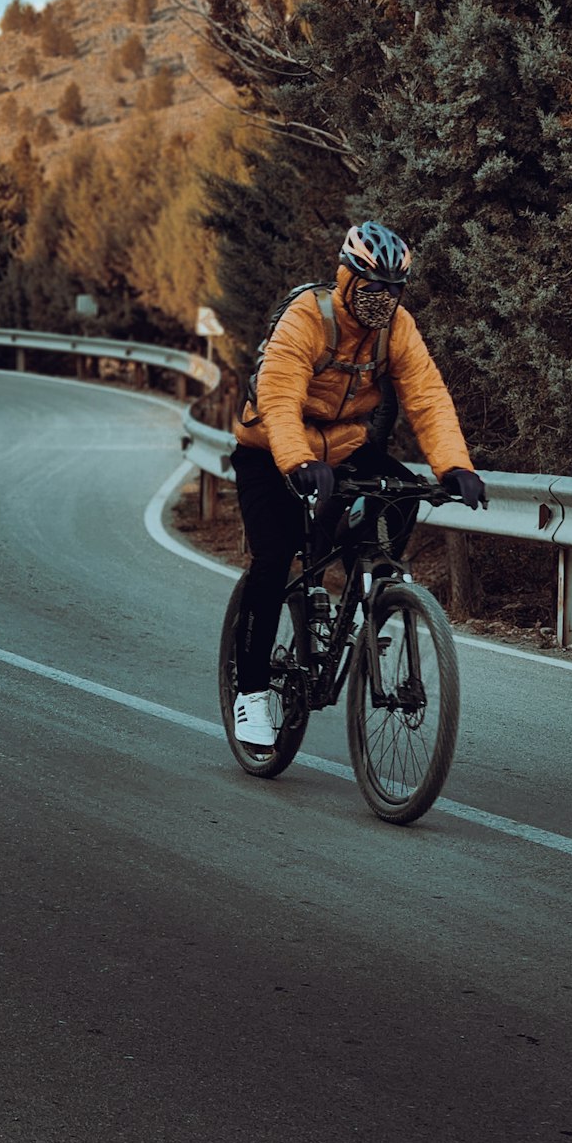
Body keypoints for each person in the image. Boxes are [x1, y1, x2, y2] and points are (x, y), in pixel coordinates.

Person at [230, 220, 486, 749]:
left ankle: (369, 596)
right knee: (274, 560)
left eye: (395, 288)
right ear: (347, 277)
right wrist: (297, 460)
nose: (384, 298)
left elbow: (427, 396)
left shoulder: (398, 329)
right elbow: (277, 398)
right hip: (271, 450)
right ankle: (251, 694)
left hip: (343, 447)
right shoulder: (308, 318)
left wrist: (455, 466)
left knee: (402, 492)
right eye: (374, 286)